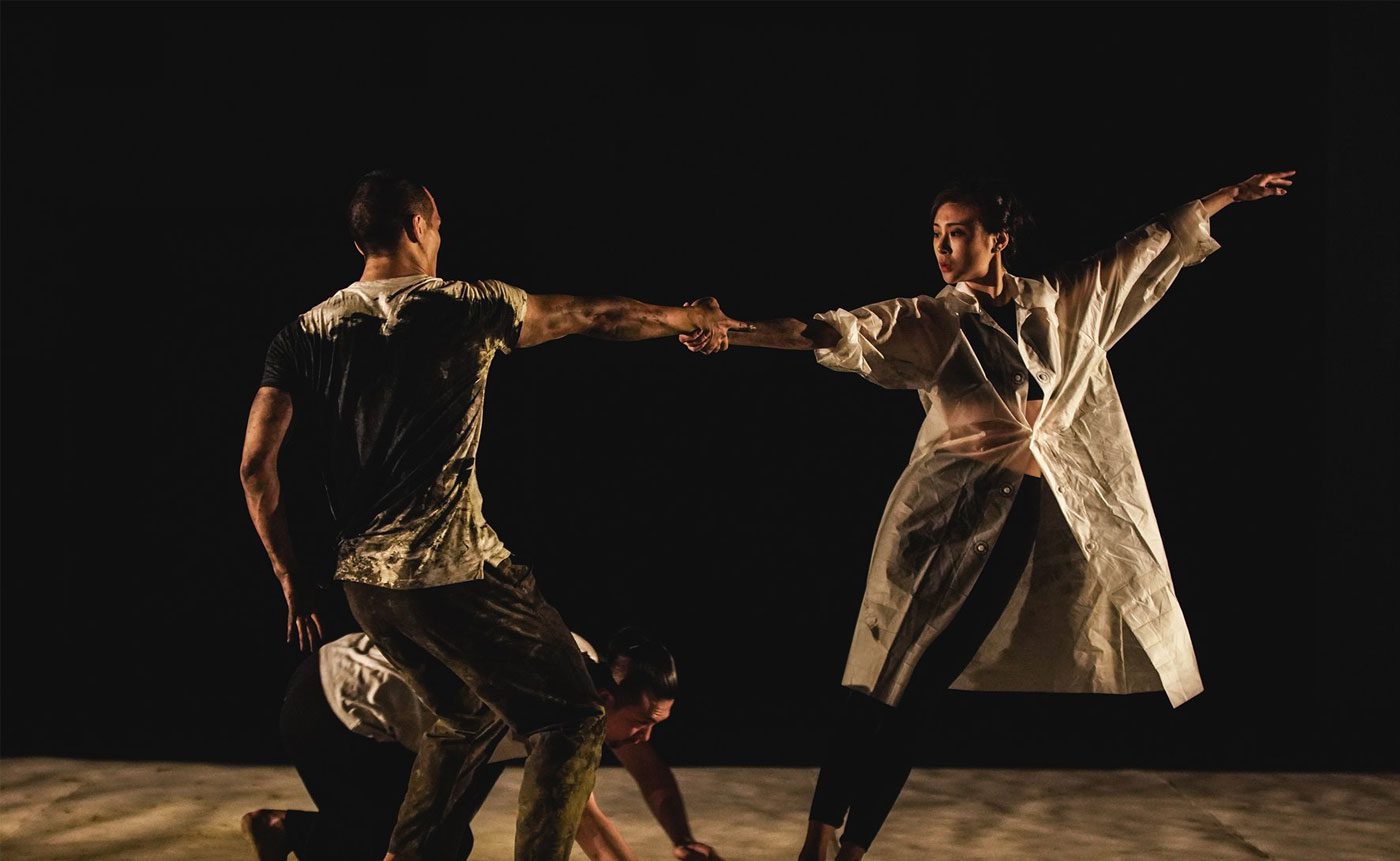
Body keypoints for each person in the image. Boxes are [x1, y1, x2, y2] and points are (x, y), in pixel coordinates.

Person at [680, 171, 1295, 859]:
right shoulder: (931, 317)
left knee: (922, 689)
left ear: (998, 238)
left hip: (1014, 520)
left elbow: (1142, 252)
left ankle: (851, 850)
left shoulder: (1060, 304)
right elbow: (833, 331)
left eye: (958, 232)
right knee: (880, 674)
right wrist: (734, 332)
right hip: (936, 517)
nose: (943, 246)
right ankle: (819, 836)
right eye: (936, 234)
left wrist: (1226, 198)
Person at [239, 170, 749, 861]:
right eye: (439, 226)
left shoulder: (302, 333)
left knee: (466, 713)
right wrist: (692, 318)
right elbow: (595, 314)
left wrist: (290, 577)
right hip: (453, 574)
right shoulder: (463, 305)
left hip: (367, 588)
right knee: (571, 719)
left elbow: (255, 465)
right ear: (421, 223)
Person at [241, 629, 722, 861]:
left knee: (446, 843)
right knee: (421, 848)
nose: (645, 737)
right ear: (603, 698)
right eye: (641, 722)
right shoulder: (537, 703)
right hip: (332, 705)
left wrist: (683, 840)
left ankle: (292, 832)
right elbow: (585, 823)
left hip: (407, 721)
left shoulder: (593, 684)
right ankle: (287, 830)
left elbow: (643, 771)